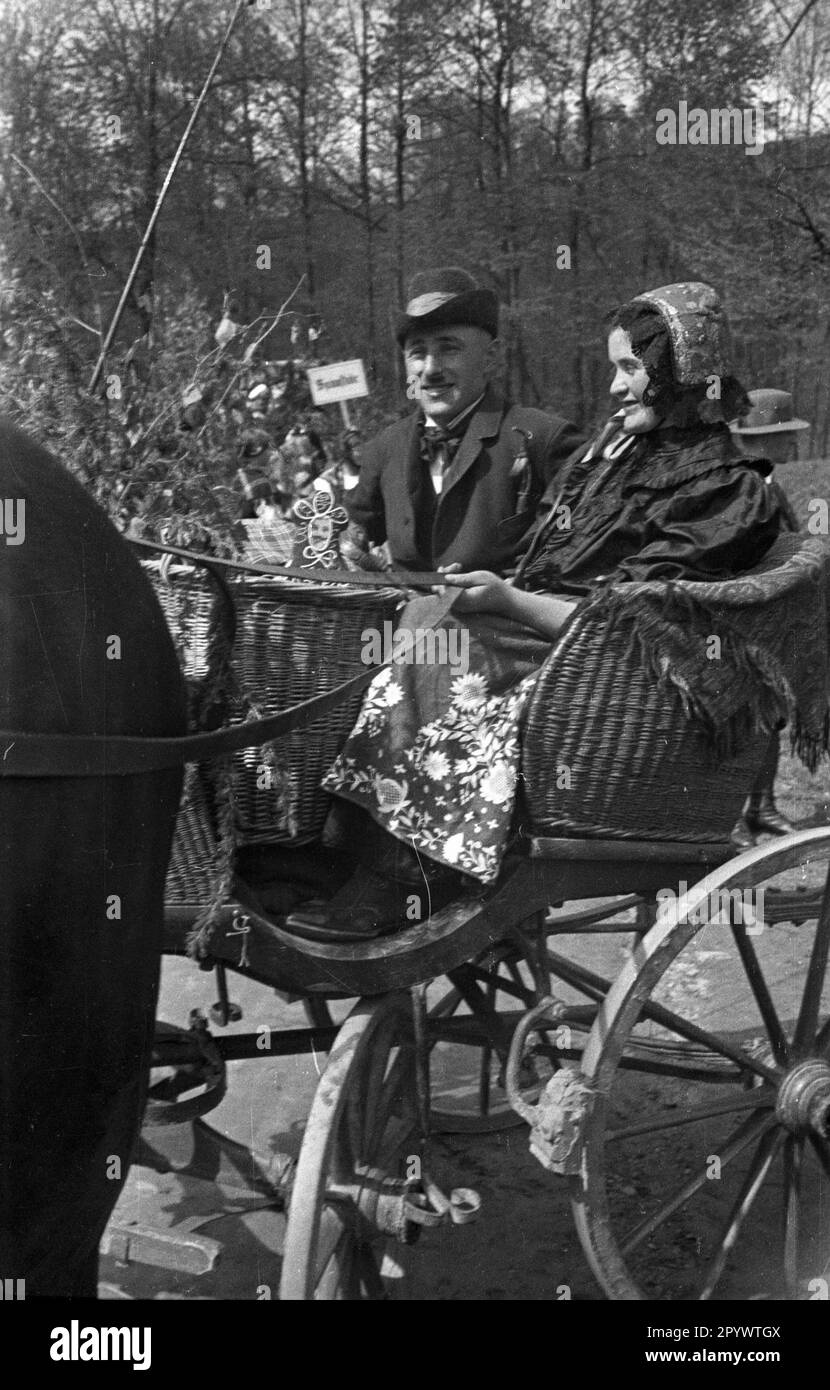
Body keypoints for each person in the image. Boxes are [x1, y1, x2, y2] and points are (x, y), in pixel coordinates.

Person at [286, 282, 786, 941]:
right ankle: (355, 850)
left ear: (681, 372)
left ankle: (414, 873)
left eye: (629, 368)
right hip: (564, 641)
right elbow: (568, 566)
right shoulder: (625, 457)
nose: (613, 388)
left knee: (441, 647)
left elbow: (639, 618)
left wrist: (507, 598)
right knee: (416, 626)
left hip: (622, 674)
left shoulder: (724, 489)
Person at [344, 266, 586, 575]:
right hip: (403, 623)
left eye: (449, 349)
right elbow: (349, 532)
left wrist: (515, 589)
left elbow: (581, 543)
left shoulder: (543, 439)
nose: (431, 369)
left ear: (490, 358)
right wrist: (351, 551)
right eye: (418, 353)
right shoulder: (384, 449)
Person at [728, 388, 809, 845]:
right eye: (785, 435)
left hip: (773, 614)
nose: (793, 444)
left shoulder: (770, 482)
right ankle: (729, 813)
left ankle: (762, 805)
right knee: (741, 716)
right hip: (743, 616)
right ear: (760, 440)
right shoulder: (745, 488)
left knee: (772, 712)